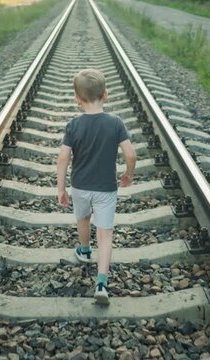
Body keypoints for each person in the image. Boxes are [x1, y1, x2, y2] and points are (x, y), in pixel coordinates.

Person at [56, 68, 137, 304]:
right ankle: (101, 282)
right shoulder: (115, 123)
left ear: (77, 100)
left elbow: (63, 158)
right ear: (106, 95)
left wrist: (61, 188)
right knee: (105, 233)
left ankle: (84, 250)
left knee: (83, 219)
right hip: (106, 188)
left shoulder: (73, 125)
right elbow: (130, 155)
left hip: (80, 186)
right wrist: (128, 174)